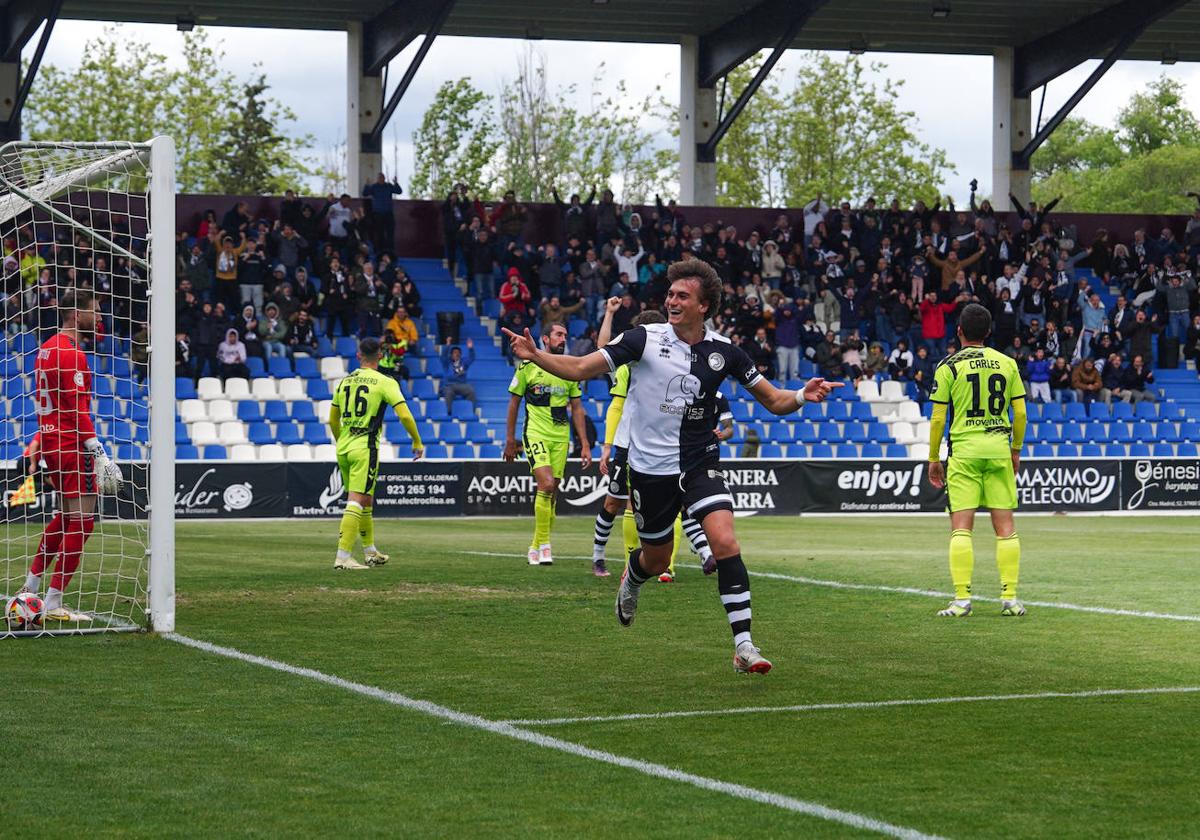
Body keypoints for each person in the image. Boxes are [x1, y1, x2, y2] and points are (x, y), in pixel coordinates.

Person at [503, 259, 840, 674]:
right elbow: (580, 367)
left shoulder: (726, 353)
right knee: (657, 560)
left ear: (705, 305)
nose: (672, 301)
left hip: (700, 463)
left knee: (726, 542)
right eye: (670, 294)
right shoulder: (642, 338)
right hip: (650, 471)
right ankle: (633, 576)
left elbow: (774, 400)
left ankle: (744, 645)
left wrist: (803, 395)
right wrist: (536, 355)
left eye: (682, 295)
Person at [591, 300, 715, 579]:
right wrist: (608, 445)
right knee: (618, 503)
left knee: (676, 503)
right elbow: (602, 352)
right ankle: (612, 558)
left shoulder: (673, 364)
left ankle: (670, 564)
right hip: (629, 444)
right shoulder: (627, 364)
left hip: (666, 445)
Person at [20, 291, 124, 621]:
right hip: (71, 446)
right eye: (96, 311)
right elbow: (78, 410)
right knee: (83, 522)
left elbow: (49, 406)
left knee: (66, 518)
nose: (100, 317)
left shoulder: (45, 350)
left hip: (52, 443)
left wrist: (39, 440)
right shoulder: (72, 352)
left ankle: (29, 588)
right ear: (77, 315)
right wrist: (98, 450)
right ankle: (53, 602)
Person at [926, 302, 1027, 619]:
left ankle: (961, 600)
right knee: (1006, 528)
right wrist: (1016, 450)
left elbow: (938, 418)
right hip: (998, 449)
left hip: (965, 453)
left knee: (961, 527)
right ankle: (1010, 599)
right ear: (988, 332)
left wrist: (933, 458)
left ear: (958, 332)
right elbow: (1021, 413)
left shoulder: (948, 367)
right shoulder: (1007, 363)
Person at [327, 338, 424, 570]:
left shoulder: (344, 382)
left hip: (344, 445)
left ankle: (370, 552)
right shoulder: (385, 382)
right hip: (365, 447)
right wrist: (417, 441)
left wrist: (342, 440)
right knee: (357, 500)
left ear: (359, 355)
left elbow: (332, 419)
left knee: (366, 498)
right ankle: (343, 557)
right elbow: (405, 416)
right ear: (380, 356)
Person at [503, 323, 591, 567]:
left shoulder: (569, 368)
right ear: (544, 339)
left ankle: (535, 545)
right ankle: (545, 546)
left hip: (561, 436)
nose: (563, 338)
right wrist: (510, 440)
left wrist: (584, 443)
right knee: (546, 484)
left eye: (565, 334)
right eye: (558, 334)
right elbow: (513, 404)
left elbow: (577, 408)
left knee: (552, 495)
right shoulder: (527, 367)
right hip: (536, 432)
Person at [362, 173, 403, 253]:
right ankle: (379, 251)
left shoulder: (388, 186)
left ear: (384, 178)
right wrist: (367, 184)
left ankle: (390, 251)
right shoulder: (374, 186)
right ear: (377, 179)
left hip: (388, 213)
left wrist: (395, 183)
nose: (381, 179)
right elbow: (365, 193)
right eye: (380, 177)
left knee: (390, 234)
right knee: (378, 234)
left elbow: (399, 191)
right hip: (377, 214)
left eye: (383, 177)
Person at [439, 337, 476, 414]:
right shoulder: (447, 363)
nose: (457, 354)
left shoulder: (464, 362)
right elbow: (443, 356)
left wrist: (471, 348)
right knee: (448, 393)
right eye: (455, 352)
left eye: (458, 352)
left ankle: (470, 411)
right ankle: (448, 413)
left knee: (471, 391)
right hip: (449, 385)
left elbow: (472, 358)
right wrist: (447, 345)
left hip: (462, 385)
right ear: (451, 354)